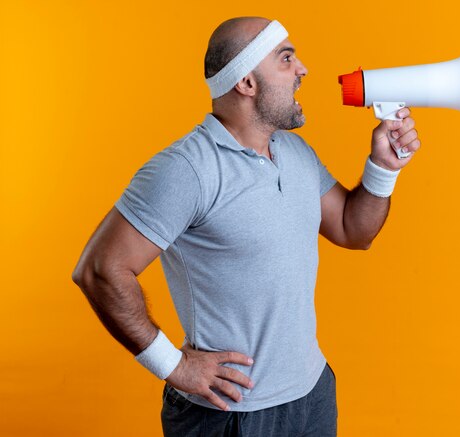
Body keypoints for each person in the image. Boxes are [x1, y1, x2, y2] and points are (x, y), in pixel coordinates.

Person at [71, 16, 420, 437]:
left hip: (311, 394)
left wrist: (382, 168)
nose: (303, 70)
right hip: (232, 414)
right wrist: (173, 365)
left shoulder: (293, 151)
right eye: (286, 59)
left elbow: (352, 230)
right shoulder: (187, 169)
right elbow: (99, 269)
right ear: (246, 83)